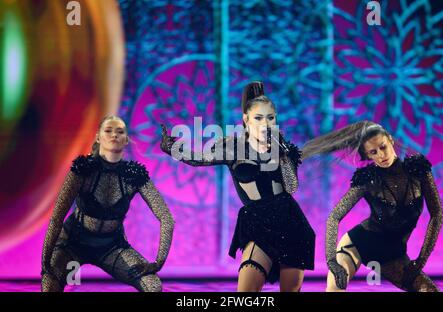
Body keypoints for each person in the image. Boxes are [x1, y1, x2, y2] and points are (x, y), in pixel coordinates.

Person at [160, 81, 315, 292]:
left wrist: (284, 155)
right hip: (257, 222)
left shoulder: (284, 149)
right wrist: (174, 149)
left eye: (270, 118)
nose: (265, 123)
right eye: (258, 118)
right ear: (246, 120)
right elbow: (200, 159)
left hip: (290, 223)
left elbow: (292, 187)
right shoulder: (233, 146)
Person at [301, 121, 443, 291]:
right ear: (368, 156)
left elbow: (437, 214)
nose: (381, 155)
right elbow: (334, 216)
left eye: (383, 147)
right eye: (373, 152)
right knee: (334, 290)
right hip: (358, 244)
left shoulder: (418, 170)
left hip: (393, 255)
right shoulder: (367, 179)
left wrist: (421, 260)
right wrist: (332, 261)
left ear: (390, 140)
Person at [41, 115, 175, 292]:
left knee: (153, 286)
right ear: (98, 137)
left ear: (126, 139)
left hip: (111, 246)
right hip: (72, 243)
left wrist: (158, 263)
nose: (114, 135)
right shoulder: (82, 170)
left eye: (120, 132)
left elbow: (167, 218)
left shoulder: (134, 175)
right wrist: (45, 262)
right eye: (108, 130)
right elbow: (56, 218)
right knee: (50, 286)